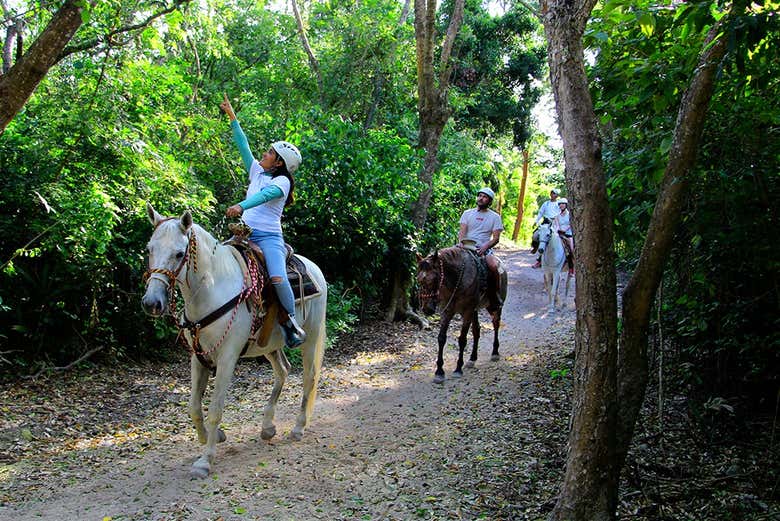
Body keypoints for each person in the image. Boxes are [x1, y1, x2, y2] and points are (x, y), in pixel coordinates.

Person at [219, 93, 306, 348]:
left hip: (268, 238)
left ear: (279, 162)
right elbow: (243, 145)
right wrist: (232, 117)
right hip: (243, 235)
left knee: (277, 277)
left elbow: (264, 196)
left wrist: (240, 205)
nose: (264, 155)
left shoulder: (282, 182)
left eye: (269, 153)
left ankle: (290, 323)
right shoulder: (257, 171)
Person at [458, 187, 504, 310]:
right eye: (480, 196)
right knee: (445, 261)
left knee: (494, 266)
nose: (481, 198)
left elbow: (495, 238)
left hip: (483, 248)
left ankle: (494, 295)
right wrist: (461, 242)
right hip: (465, 246)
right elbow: (462, 232)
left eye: (484, 197)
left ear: (489, 201)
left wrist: (484, 247)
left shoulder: (495, 217)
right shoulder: (467, 213)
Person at [532, 188, 561, 268]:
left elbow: (559, 214)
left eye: (554, 193)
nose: (552, 195)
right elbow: (541, 212)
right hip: (545, 222)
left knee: (556, 239)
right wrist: (536, 221)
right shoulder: (546, 203)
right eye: (551, 193)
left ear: (557, 195)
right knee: (535, 235)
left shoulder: (558, 204)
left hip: (554, 223)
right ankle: (535, 249)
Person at [553, 197, 575, 276]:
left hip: (568, 234)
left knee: (570, 249)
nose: (561, 205)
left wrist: (565, 229)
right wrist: (557, 230)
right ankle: (541, 261)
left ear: (566, 205)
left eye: (563, 204)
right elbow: (556, 225)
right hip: (559, 234)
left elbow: (570, 224)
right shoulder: (557, 216)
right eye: (560, 204)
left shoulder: (569, 215)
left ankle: (572, 268)